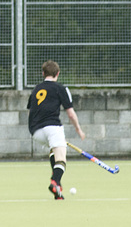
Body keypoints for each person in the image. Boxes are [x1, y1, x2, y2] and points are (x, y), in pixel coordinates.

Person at [27, 60, 85, 200]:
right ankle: (55, 182)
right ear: (58, 73)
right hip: (53, 127)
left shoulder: (36, 89)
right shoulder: (60, 88)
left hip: (35, 131)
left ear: (43, 73)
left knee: (54, 150)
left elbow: (30, 112)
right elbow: (70, 113)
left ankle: (57, 188)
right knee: (61, 159)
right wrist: (78, 129)